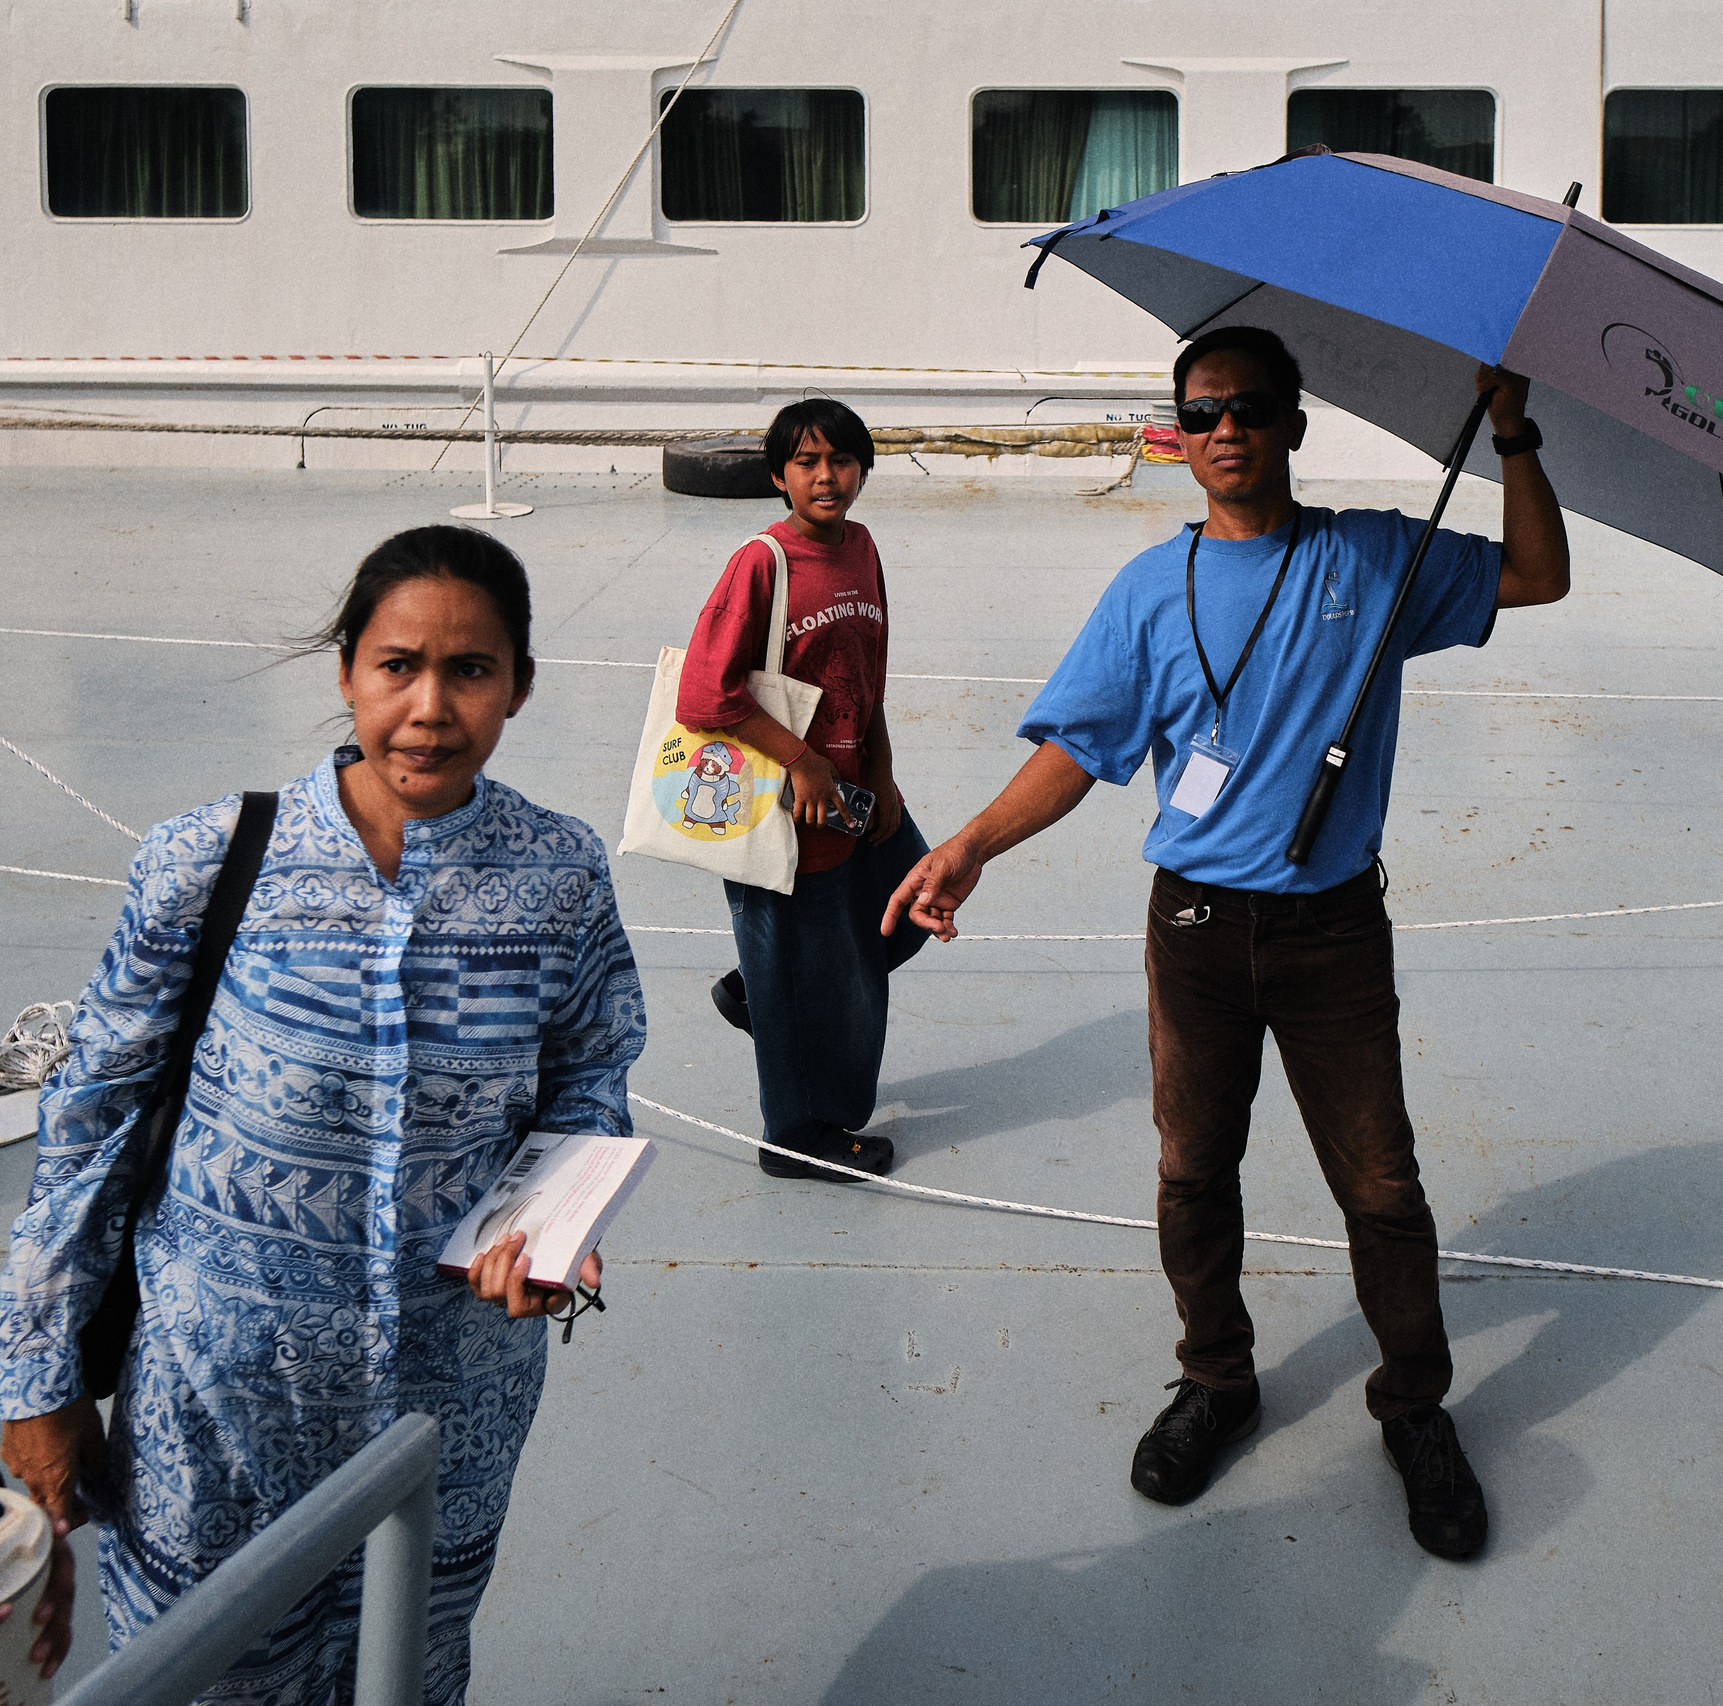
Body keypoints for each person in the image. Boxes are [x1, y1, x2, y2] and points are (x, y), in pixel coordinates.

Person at [882, 325, 1570, 1560]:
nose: (1226, 429)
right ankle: (1218, 1378)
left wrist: (1512, 433)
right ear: (1177, 434)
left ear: (1294, 424)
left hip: (1334, 931)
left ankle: (1413, 1407)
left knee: (1381, 1183)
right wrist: (973, 843)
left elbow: (1535, 573)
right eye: (1202, 412)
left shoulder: (1372, 554)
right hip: (1194, 926)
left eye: (1251, 407)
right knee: (1192, 1168)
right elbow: (1078, 750)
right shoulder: (1151, 587)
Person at [0, 526, 646, 1700]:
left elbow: (591, 1075)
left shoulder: (560, 873)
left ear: (521, 685)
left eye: (472, 670)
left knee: (408, 1668)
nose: (430, 707)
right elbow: (89, 1122)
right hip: (217, 1410)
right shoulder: (207, 860)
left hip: (450, 1411)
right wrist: (34, 1377)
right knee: (198, 1675)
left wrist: (553, 1226)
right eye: (398, 665)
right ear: (347, 670)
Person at [680, 398, 931, 1180]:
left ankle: (766, 999)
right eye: (806, 462)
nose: (827, 477)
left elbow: (870, 675)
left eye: (841, 460)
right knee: (819, 958)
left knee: (908, 912)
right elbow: (703, 696)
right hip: (791, 809)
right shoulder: (762, 561)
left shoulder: (861, 547)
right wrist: (802, 760)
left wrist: (881, 772)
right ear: (780, 476)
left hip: (857, 792)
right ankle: (798, 1136)